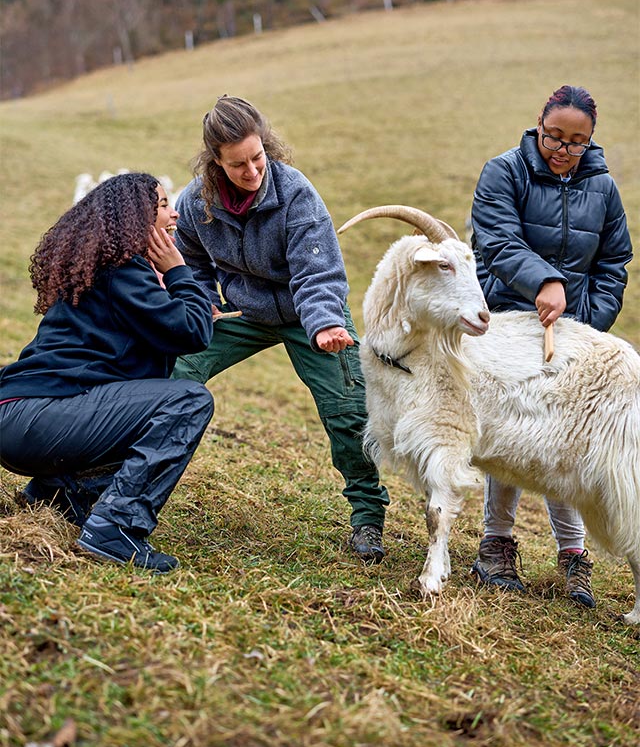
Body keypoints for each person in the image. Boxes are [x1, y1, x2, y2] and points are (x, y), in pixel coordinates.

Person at [172, 95, 389, 562]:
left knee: (347, 411)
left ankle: (368, 517)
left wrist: (327, 323)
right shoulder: (195, 202)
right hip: (240, 310)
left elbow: (318, 272)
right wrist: (202, 300)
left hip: (308, 311)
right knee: (173, 369)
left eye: (258, 157)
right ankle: (127, 474)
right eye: (238, 165)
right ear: (215, 163)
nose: (252, 171)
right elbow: (186, 256)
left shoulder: (295, 194)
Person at [0, 173, 214, 572]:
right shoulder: (125, 270)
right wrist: (179, 271)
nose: (175, 213)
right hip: (39, 419)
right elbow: (193, 331)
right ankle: (116, 527)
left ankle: (57, 496)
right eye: (164, 205)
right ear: (136, 219)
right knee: (187, 401)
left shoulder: (102, 269)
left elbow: (154, 339)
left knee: (143, 400)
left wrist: (177, 298)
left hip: (20, 417)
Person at [470, 84, 633, 608]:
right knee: (511, 432)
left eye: (576, 142)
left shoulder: (602, 188)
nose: (562, 150)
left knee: (569, 440)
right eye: (554, 137)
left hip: (575, 332)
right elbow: (495, 241)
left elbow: (614, 261)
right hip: (505, 325)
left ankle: (573, 557)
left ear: (591, 141)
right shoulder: (504, 172)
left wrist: (589, 322)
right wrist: (543, 281)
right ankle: (495, 546)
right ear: (538, 126)